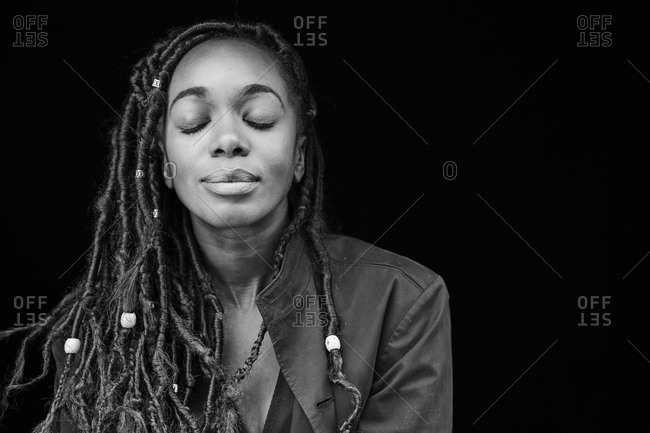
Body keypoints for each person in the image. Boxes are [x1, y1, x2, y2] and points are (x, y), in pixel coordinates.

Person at [0, 19, 452, 433]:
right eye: (195, 122)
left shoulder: (401, 301)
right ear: (163, 163)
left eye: (258, 118)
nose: (228, 140)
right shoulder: (103, 333)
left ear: (298, 155)